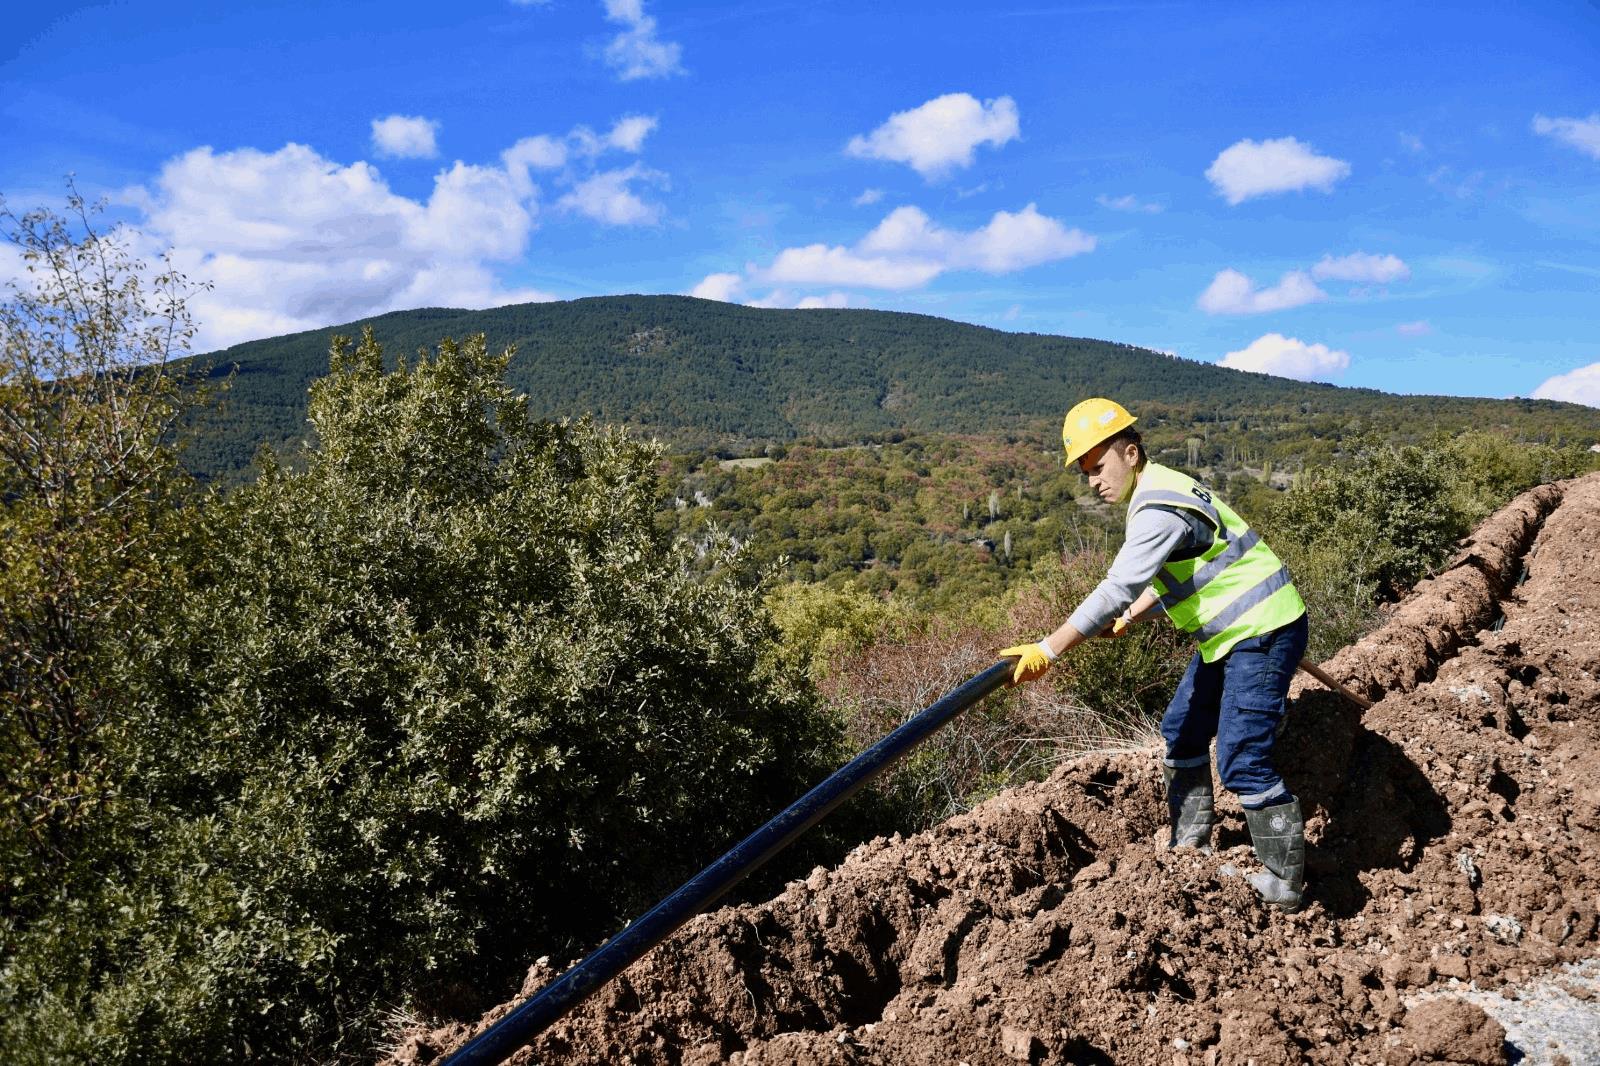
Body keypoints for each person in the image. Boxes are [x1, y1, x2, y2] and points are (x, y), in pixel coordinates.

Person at [1000, 398, 1311, 911]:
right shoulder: (1164, 486)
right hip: (1232, 635)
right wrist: (1129, 618)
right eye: (1086, 473)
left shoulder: (1156, 509)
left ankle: (1285, 883)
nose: (1094, 482)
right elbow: (1176, 577)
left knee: (1241, 758)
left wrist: (1048, 650)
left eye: (1099, 467)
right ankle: (1189, 846)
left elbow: (1118, 586)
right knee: (1182, 732)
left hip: (1262, 631)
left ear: (1130, 450)